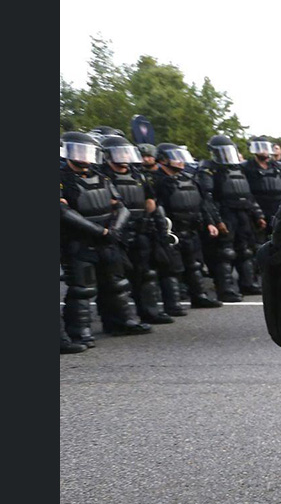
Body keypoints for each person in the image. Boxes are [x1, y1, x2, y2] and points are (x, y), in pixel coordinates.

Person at [60, 131, 151, 345]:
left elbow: (120, 205)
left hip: (108, 238)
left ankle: (122, 322)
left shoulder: (102, 176)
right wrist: (99, 231)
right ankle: (79, 331)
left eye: (87, 151)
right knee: (82, 289)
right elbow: (63, 212)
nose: (83, 157)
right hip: (79, 241)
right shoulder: (62, 178)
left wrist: (114, 229)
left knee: (116, 283)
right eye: (78, 151)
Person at [98, 135, 175, 324]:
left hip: (140, 230)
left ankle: (149, 312)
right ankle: (116, 321)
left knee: (145, 274)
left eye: (126, 152)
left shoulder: (138, 174)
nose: (124, 156)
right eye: (119, 152)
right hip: (115, 233)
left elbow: (151, 201)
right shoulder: (102, 176)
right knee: (115, 280)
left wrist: (155, 225)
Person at [153, 143, 224, 309]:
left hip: (191, 229)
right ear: (163, 160)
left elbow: (202, 204)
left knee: (194, 265)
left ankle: (199, 297)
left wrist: (209, 223)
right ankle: (173, 304)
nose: (180, 161)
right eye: (175, 157)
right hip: (172, 230)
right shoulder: (156, 181)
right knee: (171, 269)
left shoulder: (189, 178)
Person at [197, 134, 267, 299]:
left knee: (246, 251)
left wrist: (258, 215)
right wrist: (217, 220)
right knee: (225, 253)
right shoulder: (208, 169)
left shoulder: (238, 169)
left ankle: (248, 283)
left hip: (243, 213)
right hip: (225, 213)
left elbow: (248, 195)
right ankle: (226, 289)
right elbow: (207, 198)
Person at [242, 136, 281, 229]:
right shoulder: (246, 167)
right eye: (260, 148)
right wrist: (257, 214)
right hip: (258, 210)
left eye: (265, 148)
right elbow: (245, 192)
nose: (263, 151)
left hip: (280, 209)